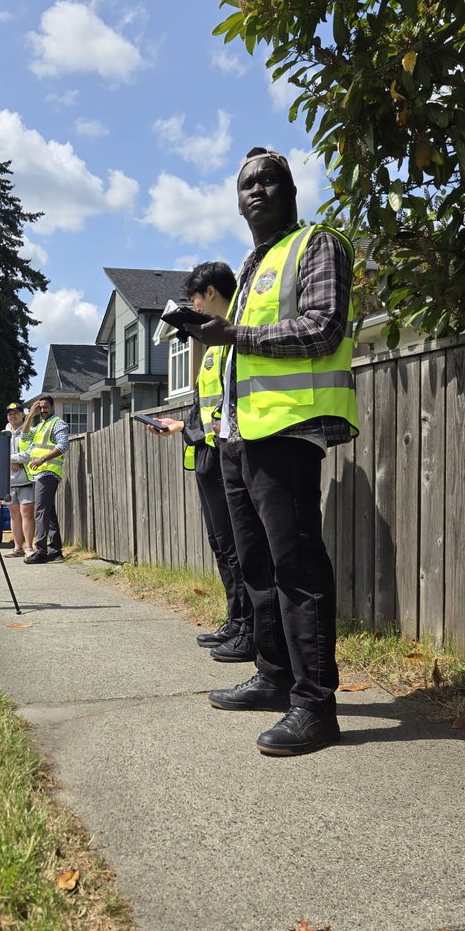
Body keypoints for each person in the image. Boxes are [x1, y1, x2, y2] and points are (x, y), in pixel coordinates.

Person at [182, 147, 359, 756]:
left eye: (268, 180)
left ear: (289, 188)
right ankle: (275, 676)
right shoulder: (254, 263)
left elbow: (322, 327)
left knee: (297, 569)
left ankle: (316, 705)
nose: (256, 189)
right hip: (238, 435)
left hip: (288, 430)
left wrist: (232, 333)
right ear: (237, 202)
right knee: (254, 564)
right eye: (246, 184)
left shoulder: (318, 245)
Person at [148, 262, 253, 664]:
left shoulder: (235, 338)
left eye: (194, 299)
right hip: (206, 454)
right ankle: (236, 618)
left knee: (238, 546)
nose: (193, 308)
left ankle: (249, 627)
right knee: (222, 544)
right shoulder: (212, 351)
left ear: (210, 292)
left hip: (228, 452)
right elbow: (204, 406)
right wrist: (179, 426)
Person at [21, 395, 69, 564]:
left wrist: (42, 459)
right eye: (40, 408)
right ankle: (55, 550)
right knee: (48, 511)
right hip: (38, 474)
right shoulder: (40, 425)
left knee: (40, 511)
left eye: (45, 407)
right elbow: (24, 436)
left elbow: (63, 446)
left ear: (53, 406)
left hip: (48, 473)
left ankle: (41, 552)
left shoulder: (58, 423)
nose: (42, 410)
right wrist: (31, 414)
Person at [4, 401, 35, 558]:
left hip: (26, 480)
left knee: (27, 513)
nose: (12, 416)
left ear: (23, 415)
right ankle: (17, 547)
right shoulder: (3, 433)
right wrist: (12, 460)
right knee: (14, 515)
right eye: (10, 414)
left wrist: (12, 459)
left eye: (15, 413)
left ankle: (29, 547)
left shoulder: (28, 431)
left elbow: (31, 453)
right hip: (9, 481)